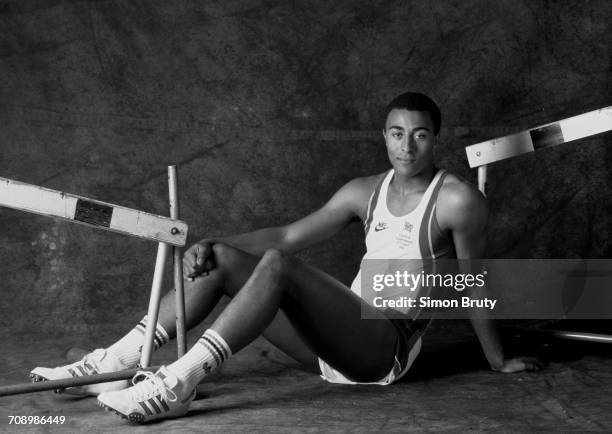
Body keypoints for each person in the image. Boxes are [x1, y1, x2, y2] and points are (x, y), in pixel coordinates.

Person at [30, 92, 542, 424]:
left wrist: (498, 361)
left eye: (420, 134)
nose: (407, 146)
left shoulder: (457, 200)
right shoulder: (363, 190)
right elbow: (291, 232)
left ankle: (178, 382)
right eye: (396, 133)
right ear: (383, 136)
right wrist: (212, 245)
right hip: (331, 344)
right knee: (228, 257)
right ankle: (114, 363)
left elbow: (472, 282)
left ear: (437, 138)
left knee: (276, 264)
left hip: (381, 348)